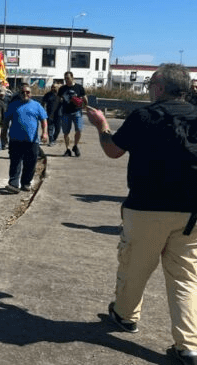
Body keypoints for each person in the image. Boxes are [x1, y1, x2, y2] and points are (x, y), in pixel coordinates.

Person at [85, 64, 197, 364]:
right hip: (191, 212)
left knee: (135, 267)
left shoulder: (145, 116)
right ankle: (189, 346)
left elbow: (113, 150)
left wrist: (101, 125)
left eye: (150, 85)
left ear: (159, 88)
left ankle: (125, 316)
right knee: (186, 278)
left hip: (148, 207)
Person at [2, 83, 48, 194]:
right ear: (19, 93)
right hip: (15, 140)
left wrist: (45, 133)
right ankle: (13, 184)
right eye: (23, 92)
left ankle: (25, 183)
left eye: (27, 92)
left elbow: (43, 120)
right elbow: (6, 121)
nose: (25, 94)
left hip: (32, 141)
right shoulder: (13, 105)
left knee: (30, 163)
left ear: (31, 93)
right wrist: (3, 134)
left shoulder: (37, 105)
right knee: (15, 163)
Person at [58, 71, 87, 157]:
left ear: (72, 78)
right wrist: (61, 100)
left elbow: (85, 98)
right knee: (66, 132)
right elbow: (59, 99)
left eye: (68, 78)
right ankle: (68, 149)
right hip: (66, 112)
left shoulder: (79, 87)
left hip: (77, 111)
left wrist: (84, 105)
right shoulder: (62, 88)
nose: (66, 80)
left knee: (79, 130)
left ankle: (75, 146)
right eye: (65, 78)